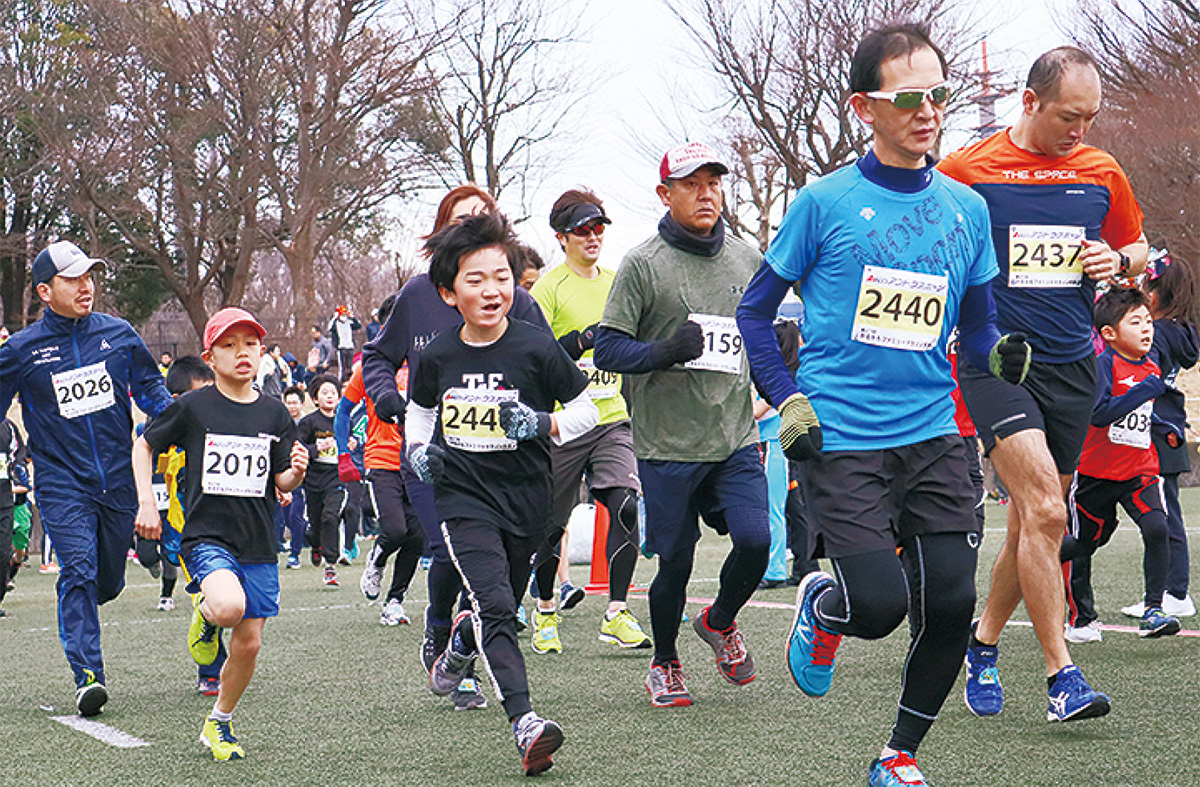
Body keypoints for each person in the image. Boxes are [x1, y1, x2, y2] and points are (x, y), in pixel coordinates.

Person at [736, 24, 1028, 784]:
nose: (927, 111)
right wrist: (787, 399)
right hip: (841, 438)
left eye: (939, 94)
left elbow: (979, 326)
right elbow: (754, 314)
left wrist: (997, 353)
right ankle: (828, 605)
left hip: (935, 435)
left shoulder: (967, 210)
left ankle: (898, 754)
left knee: (952, 603)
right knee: (878, 607)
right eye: (907, 98)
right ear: (863, 106)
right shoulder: (822, 203)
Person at [939, 46, 1148, 721]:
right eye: (1068, 116)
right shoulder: (967, 170)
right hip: (997, 363)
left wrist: (1117, 259)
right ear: (1029, 102)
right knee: (1050, 513)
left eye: (1090, 117)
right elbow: (922, 237)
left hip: (1074, 365)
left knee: (1031, 521)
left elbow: (1138, 246)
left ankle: (981, 643)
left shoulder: (1101, 170)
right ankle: (1063, 677)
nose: (1079, 130)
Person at [405, 211, 597, 775]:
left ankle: (462, 639)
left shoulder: (537, 348)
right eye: (476, 280)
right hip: (463, 499)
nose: (492, 290)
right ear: (449, 292)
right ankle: (526, 723)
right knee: (496, 607)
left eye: (502, 277)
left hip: (529, 500)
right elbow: (420, 414)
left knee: (500, 609)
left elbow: (588, 408)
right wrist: (418, 453)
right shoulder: (438, 355)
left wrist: (543, 423)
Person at [361, 183, 552, 711]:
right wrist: (389, 399)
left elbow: (548, 366)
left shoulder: (518, 301)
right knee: (449, 548)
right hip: (435, 455)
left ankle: (465, 644)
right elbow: (377, 356)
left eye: (481, 219)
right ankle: (441, 631)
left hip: (503, 464)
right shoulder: (419, 295)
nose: (471, 229)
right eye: (460, 220)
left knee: (502, 570)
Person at [594, 140, 771, 708]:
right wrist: (665, 350)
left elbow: (760, 339)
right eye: (691, 184)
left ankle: (719, 621)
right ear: (665, 193)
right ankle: (665, 662)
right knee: (676, 561)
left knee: (757, 540)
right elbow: (607, 349)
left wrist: (785, 390)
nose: (706, 194)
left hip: (734, 436)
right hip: (666, 443)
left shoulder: (747, 259)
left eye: (713, 183)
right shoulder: (643, 264)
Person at [0, 240, 173, 715]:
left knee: (107, 583)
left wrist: (178, 422)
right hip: (61, 483)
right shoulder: (21, 350)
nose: (86, 287)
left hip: (118, 479)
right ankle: (88, 675)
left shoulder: (119, 334)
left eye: (89, 277)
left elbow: (150, 388)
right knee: (78, 569)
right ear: (45, 291)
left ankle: (83, 600)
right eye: (73, 279)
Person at [134, 307, 307, 761]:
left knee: (249, 643)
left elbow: (281, 480)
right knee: (229, 607)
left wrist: (296, 473)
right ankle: (208, 615)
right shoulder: (193, 408)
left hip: (258, 540)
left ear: (262, 352)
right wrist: (147, 502)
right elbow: (144, 446)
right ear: (210, 358)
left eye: (250, 344)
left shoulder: (274, 413)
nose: (241, 353)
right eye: (229, 346)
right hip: (206, 536)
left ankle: (219, 721)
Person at [526, 188, 650, 654]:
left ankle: (616, 612)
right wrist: (579, 341)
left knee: (625, 505)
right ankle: (545, 610)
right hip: (563, 424)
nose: (593, 236)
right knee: (551, 525)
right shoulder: (547, 289)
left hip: (612, 417)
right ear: (562, 237)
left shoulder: (618, 282)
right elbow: (533, 355)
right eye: (583, 230)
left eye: (599, 227)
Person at [1061, 287, 1181, 642]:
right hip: (1095, 474)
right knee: (1083, 545)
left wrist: (1165, 428)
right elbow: (1099, 414)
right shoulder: (1102, 366)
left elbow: (1142, 412)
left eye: (1148, 321)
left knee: (1157, 528)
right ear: (1109, 333)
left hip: (1139, 471)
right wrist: (1144, 391)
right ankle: (1080, 619)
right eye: (1135, 322)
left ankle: (1154, 610)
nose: (1146, 329)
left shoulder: (1152, 367)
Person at [334, 298, 426, 627]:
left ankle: (395, 602)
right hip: (382, 457)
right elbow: (343, 411)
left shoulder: (426, 362)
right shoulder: (370, 367)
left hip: (418, 459)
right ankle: (378, 557)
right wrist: (343, 453)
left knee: (418, 536)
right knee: (396, 529)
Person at [1121, 254, 1199, 619]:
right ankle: (1168, 590)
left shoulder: (1158, 334)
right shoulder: (1180, 332)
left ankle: (1175, 592)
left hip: (1158, 429)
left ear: (1153, 296)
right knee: (1162, 512)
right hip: (1166, 428)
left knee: (1165, 515)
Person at [297, 374, 345, 586]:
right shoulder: (309, 422)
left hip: (337, 476)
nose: (329, 396)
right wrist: (317, 448)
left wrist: (352, 444)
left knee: (330, 517)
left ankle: (331, 566)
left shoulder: (344, 420)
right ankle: (316, 544)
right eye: (324, 393)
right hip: (314, 478)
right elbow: (296, 448)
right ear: (315, 398)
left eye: (333, 392)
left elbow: (356, 440)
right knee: (316, 521)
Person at [0, 417, 30, 618]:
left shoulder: (8, 427)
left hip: (4, 500)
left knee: (3, 554)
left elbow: (19, 456)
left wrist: (19, 474)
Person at [279, 385, 309, 570]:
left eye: (294, 403)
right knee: (287, 515)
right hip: (284, 475)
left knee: (295, 514)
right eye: (288, 403)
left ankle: (294, 554)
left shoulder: (308, 423)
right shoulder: (280, 423)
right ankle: (305, 534)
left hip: (304, 476)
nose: (291, 406)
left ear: (302, 404)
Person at [328, 305, 362, 382]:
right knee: (342, 367)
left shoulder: (349, 322)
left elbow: (358, 326)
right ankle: (341, 381)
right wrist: (334, 317)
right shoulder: (336, 323)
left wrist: (352, 317)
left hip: (349, 346)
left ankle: (350, 380)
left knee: (350, 366)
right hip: (341, 347)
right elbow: (330, 328)